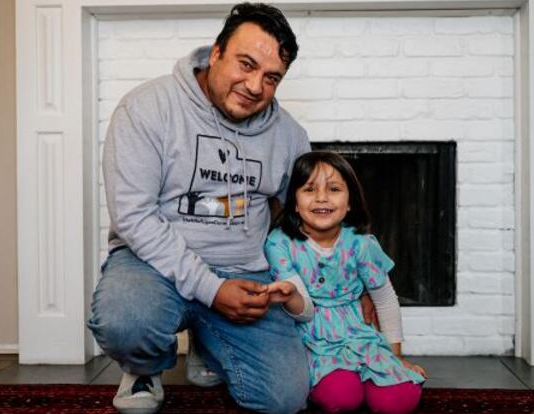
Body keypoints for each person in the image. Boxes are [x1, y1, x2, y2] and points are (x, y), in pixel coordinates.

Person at [86, 3, 312, 414]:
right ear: (215, 52)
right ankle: (143, 367)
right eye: (245, 64)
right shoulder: (146, 108)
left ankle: (210, 343)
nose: (255, 85)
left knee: (285, 399)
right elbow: (134, 217)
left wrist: (347, 289)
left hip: (244, 273)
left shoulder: (291, 136)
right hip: (153, 265)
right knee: (125, 319)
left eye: (271, 78)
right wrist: (211, 289)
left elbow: (301, 218)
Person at [264, 151, 428, 414]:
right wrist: (291, 294)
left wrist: (395, 356)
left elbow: (384, 298)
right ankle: (342, 381)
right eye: (309, 189)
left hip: (358, 331)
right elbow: (304, 311)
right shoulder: (280, 243)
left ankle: (378, 373)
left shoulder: (361, 243)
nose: (321, 198)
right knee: (341, 397)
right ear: (294, 202)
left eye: (334, 189)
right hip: (313, 335)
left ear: (350, 201)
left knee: (400, 400)